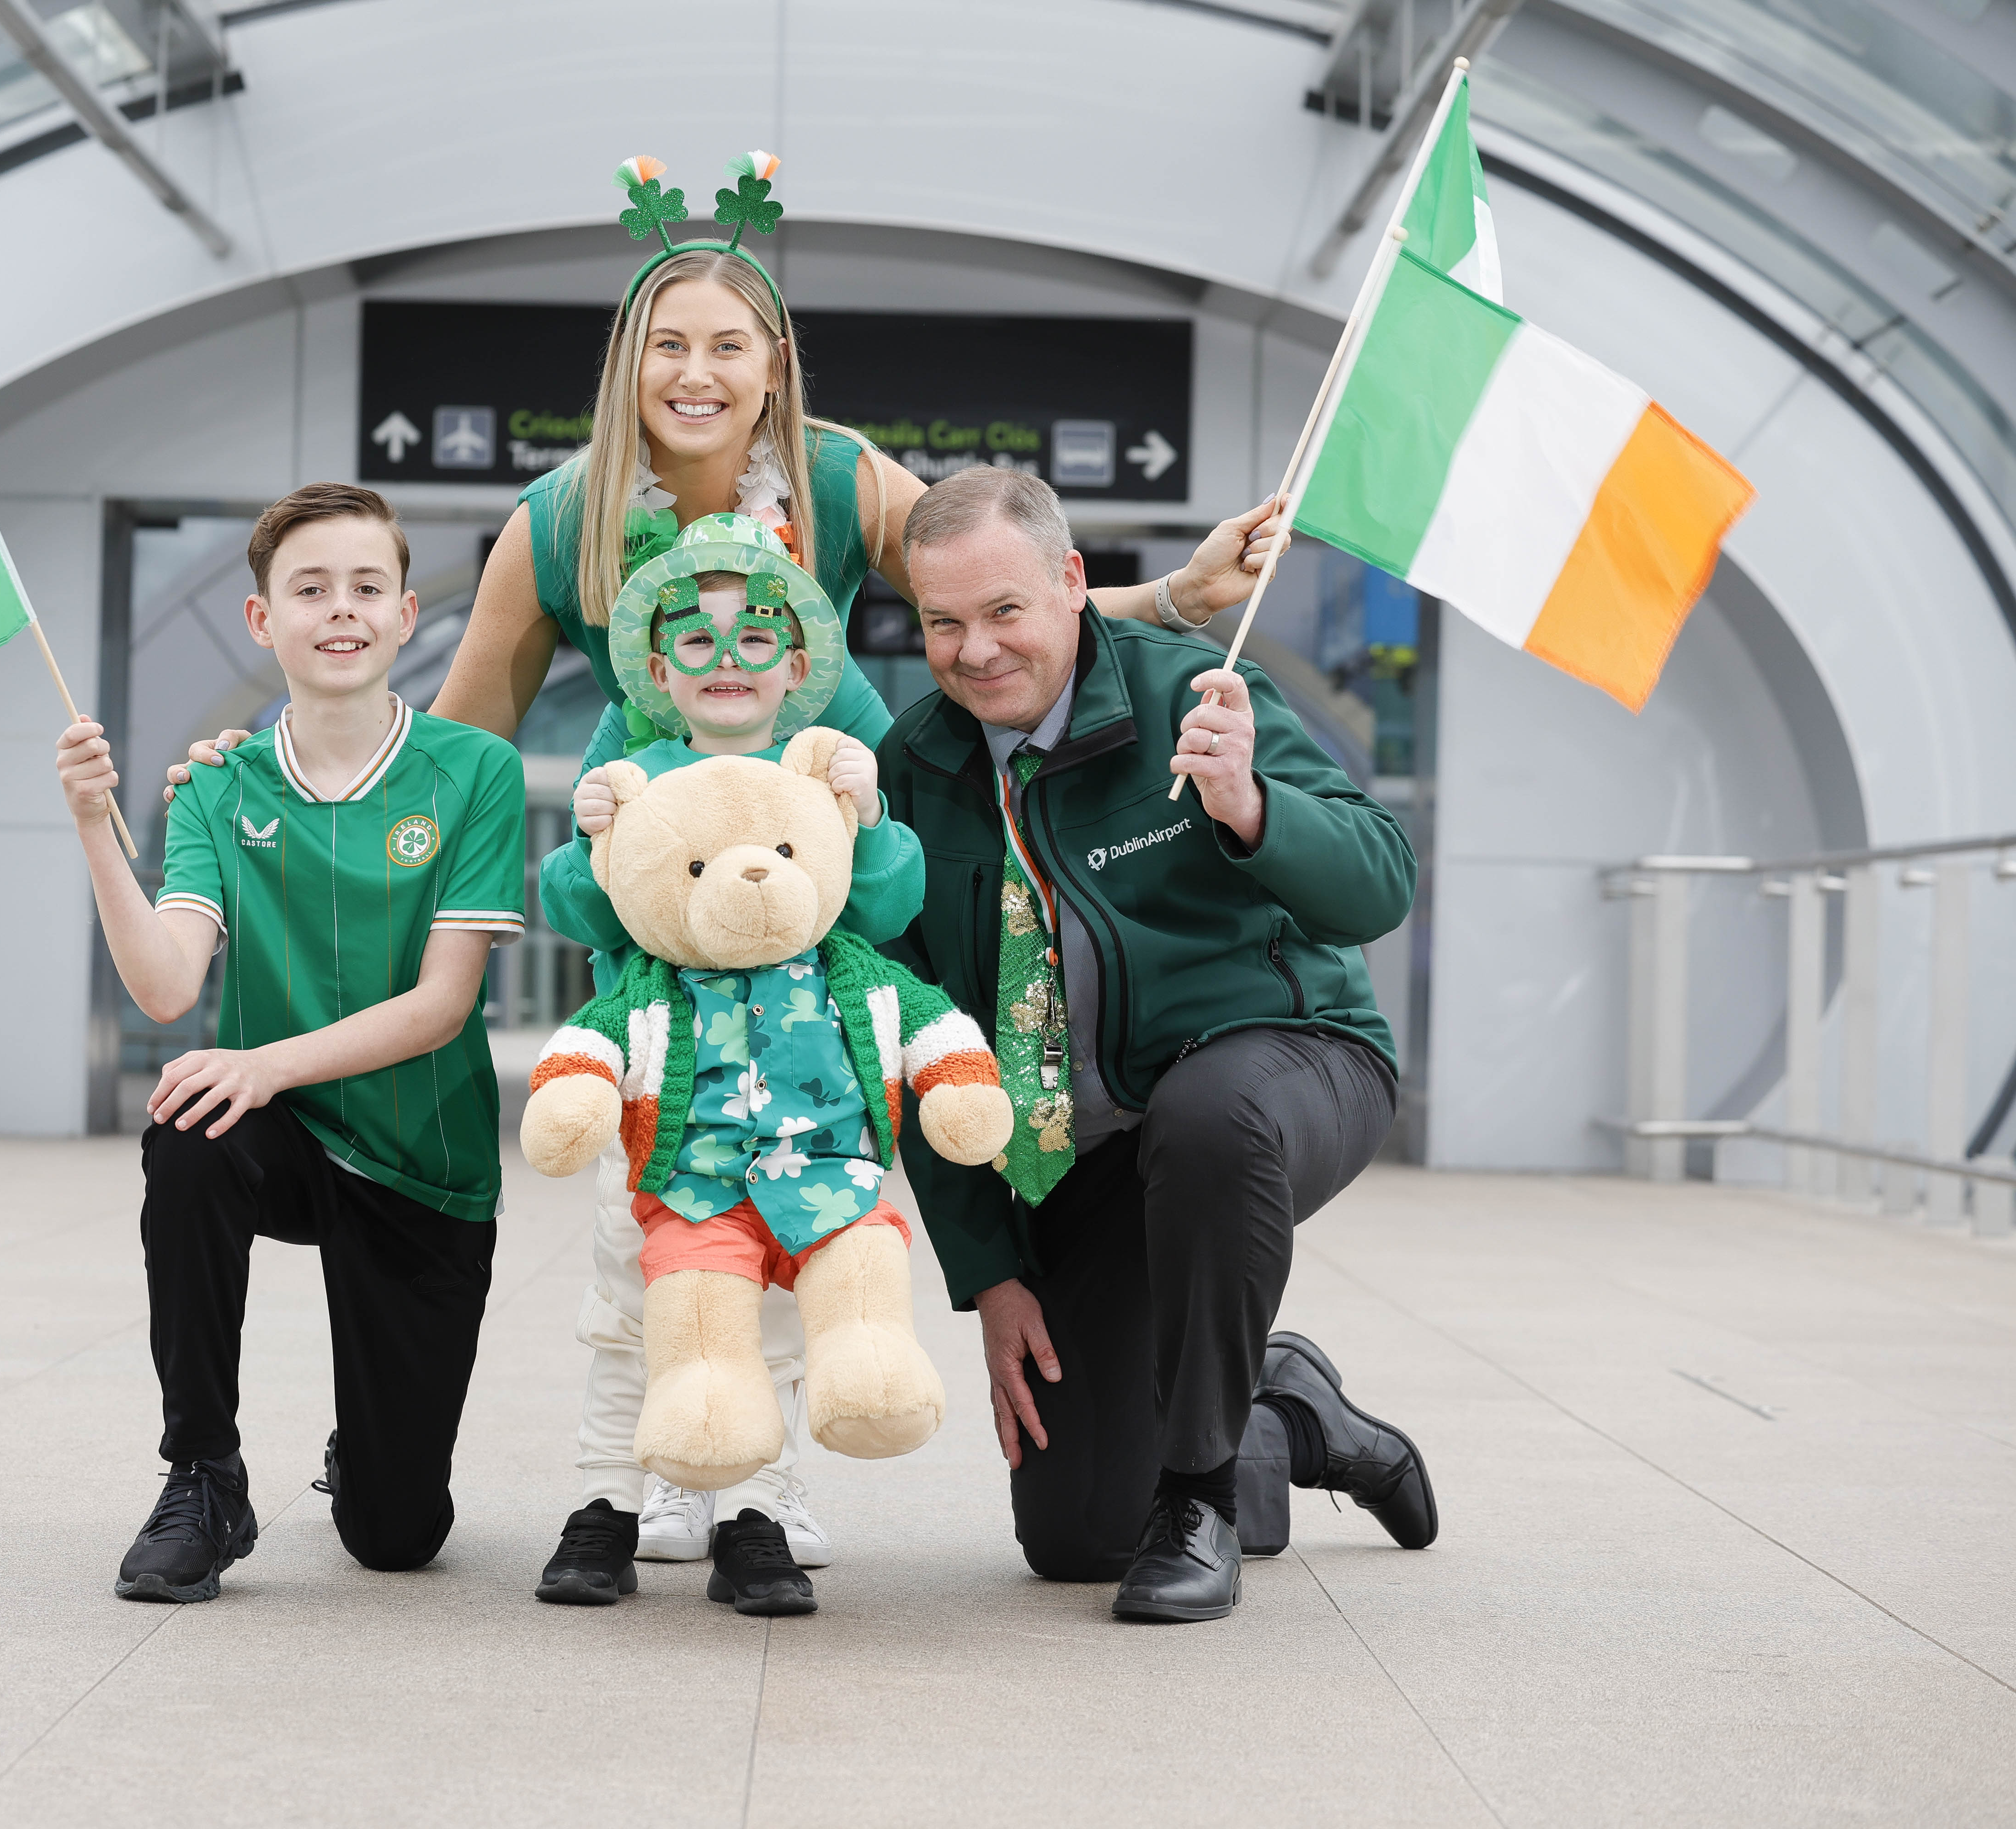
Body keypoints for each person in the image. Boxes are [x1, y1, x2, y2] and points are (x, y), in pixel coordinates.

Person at [170, 150, 1294, 1579]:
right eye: (668, 345)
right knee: (656, 1221)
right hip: (669, 910)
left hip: (847, 875)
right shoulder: (560, 518)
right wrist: (272, 757)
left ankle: (828, 1446)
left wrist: (1174, 597)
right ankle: (633, 1471)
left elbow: (998, 590)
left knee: (844, 1169)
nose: (696, 372)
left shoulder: (833, 476)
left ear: (774, 367)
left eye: (728, 346)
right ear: (628, 363)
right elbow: (450, 741)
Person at [876, 465, 1440, 1624]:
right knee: (1079, 1535)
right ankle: (1282, 1409)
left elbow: (1380, 881)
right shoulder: (914, 766)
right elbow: (920, 1041)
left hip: (1290, 1064)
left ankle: (1198, 1493)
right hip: (1088, 1151)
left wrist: (1249, 807)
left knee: (1209, 1113)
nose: (975, 650)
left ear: (1073, 583)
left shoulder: (1199, 689)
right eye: (943, 623)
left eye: (1004, 612)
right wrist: (988, 1271)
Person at [58, 482, 527, 1603]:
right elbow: (169, 982)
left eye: (367, 587)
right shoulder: (220, 783)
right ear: (265, 620)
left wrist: (264, 1061)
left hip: (426, 1165)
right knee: (187, 1128)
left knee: (398, 1532)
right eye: (309, 590)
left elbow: (442, 1005)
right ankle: (202, 1476)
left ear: (409, 615)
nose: (341, 610)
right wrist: (91, 825)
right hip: (290, 1143)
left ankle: (363, 1456)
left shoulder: (475, 771)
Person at [528, 511, 920, 1612]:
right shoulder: (636, 769)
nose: (728, 663)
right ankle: (608, 1498)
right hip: (669, 1093)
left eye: (756, 638)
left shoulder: (822, 771)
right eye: (696, 642)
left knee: (784, 1315)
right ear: (658, 667)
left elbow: (888, 902)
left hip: (810, 1108)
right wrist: (588, 834)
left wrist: (873, 811)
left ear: (799, 660)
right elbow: (573, 906)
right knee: (632, 1301)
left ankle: (759, 1508)